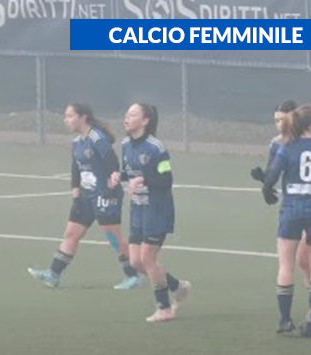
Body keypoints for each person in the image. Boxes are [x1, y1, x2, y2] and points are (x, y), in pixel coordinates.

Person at [27, 103, 142, 290]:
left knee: (113, 236)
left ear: (83, 117)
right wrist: (76, 197)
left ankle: (133, 276)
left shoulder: (96, 137)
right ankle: (53, 274)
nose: (66, 120)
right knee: (71, 233)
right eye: (65, 116)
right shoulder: (76, 142)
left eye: (70, 116)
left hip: (105, 194)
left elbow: (112, 162)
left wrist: (111, 185)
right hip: (86, 196)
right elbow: (75, 171)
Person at [113, 103, 191, 323]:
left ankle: (164, 308)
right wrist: (119, 176)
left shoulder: (156, 147)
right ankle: (177, 286)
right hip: (138, 209)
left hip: (157, 209)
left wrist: (142, 180)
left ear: (145, 121)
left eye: (132, 114)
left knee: (147, 259)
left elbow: (166, 179)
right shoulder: (125, 144)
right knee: (136, 262)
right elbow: (129, 173)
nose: (126, 118)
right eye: (126, 114)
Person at [262, 104, 311, 338]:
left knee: (285, 266)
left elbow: (272, 175)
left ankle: (285, 320)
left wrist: (266, 187)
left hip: (292, 210)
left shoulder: (286, 147)